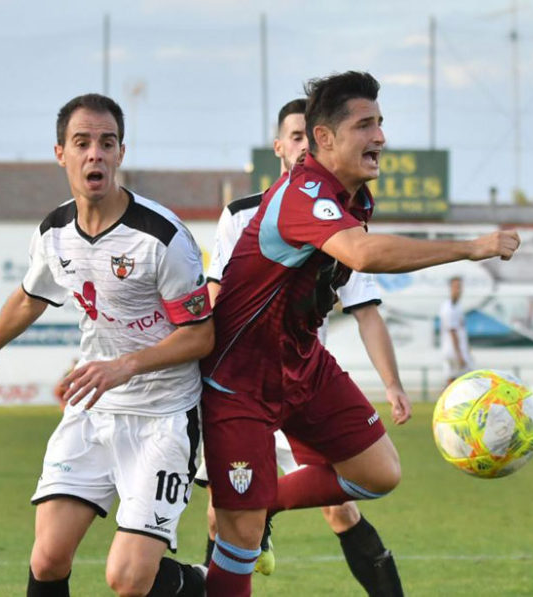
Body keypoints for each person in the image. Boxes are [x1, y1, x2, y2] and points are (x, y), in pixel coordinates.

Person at [200, 71, 520, 597]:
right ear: (323, 138)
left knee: (379, 473)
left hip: (302, 364)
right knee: (239, 538)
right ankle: (245, 519)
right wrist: (470, 246)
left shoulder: (353, 197)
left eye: (381, 123)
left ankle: (266, 497)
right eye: (365, 125)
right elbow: (363, 254)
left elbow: (361, 299)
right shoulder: (303, 193)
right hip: (242, 381)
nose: (380, 138)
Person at [0, 93, 213, 597]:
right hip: (92, 412)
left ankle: (200, 584)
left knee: (128, 580)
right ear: (60, 153)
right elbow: (30, 297)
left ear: (120, 154)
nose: (96, 154)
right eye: (83, 143)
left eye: (106, 143)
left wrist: (125, 366)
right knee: (47, 560)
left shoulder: (162, 238)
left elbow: (201, 334)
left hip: (163, 417)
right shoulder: (54, 231)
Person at [198, 98, 409, 595]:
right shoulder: (242, 216)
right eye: (293, 138)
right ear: (280, 147)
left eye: (306, 138)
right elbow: (215, 294)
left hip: (305, 378)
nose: (301, 147)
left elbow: (365, 310)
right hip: (244, 379)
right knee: (228, 519)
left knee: (343, 503)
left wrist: (393, 384)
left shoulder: (345, 215)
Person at [440, 276, 475, 385]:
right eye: (456, 287)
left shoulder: (458, 306)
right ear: (450, 288)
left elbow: (461, 331)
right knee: (456, 380)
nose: (459, 290)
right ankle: (445, 401)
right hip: (453, 350)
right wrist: (459, 355)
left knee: (458, 380)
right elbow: (452, 332)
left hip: (460, 349)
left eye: (460, 287)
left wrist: (467, 349)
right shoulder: (448, 308)